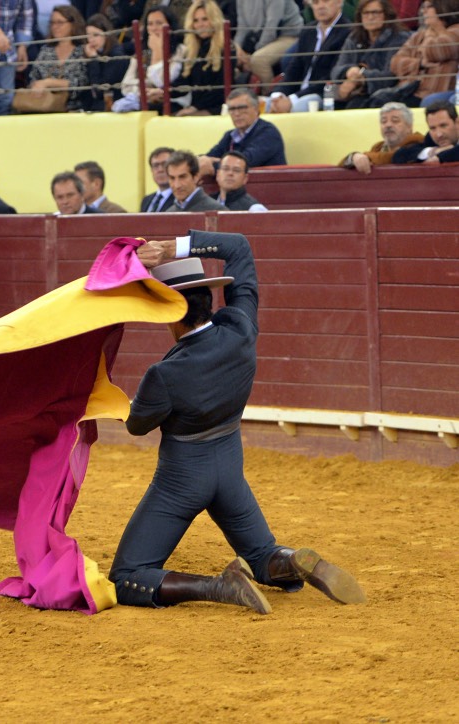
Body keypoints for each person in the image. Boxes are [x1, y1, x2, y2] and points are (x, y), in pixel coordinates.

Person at [109, 231, 367, 613]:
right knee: (262, 553)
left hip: (181, 479)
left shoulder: (163, 374)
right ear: (208, 299)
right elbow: (239, 247)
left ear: (170, 312)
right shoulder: (241, 331)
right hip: (229, 468)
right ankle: (292, 559)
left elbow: (136, 425)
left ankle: (219, 586)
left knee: (129, 574)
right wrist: (172, 248)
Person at [267, 0, 351, 113]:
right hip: (298, 93)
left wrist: (292, 99)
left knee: (298, 107)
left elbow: (331, 77)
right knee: (264, 104)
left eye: (326, 1)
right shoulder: (308, 31)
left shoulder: (348, 32)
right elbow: (294, 69)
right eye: (316, 2)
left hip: (323, 94)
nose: (321, 6)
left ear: (339, 2)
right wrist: (278, 95)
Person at [329, 0, 410, 108]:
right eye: (366, 13)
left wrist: (362, 78)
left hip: (382, 94)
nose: (370, 17)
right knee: (324, 100)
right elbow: (336, 70)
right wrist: (349, 71)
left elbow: (390, 76)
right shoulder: (354, 37)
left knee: (354, 105)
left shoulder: (399, 38)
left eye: (375, 12)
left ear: (386, 15)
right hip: (351, 90)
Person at [198, 88, 287, 176]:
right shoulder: (230, 136)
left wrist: (211, 164)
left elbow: (242, 162)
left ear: (256, 109)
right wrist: (200, 161)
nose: (236, 114)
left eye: (242, 108)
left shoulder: (268, 133)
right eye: (232, 109)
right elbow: (211, 156)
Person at [113, 4, 186, 113]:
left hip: (173, 103)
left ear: (170, 25)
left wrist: (158, 52)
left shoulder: (181, 50)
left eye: (159, 23)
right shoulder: (142, 52)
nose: (154, 28)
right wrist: (144, 91)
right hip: (144, 100)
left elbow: (166, 80)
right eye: (150, 24)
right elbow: (126, 86)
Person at [387, 0, 459, 108]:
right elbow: (395, 63)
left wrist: (433, 32)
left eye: (428, 7)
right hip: (408, 90)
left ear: (443, 8)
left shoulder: (456, 30)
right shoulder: (418, 35)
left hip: (432, 94)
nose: (423, 11)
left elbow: (433, 51)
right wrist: (419, 63)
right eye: (422, 7)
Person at [23, 5, 88, 112]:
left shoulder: (83, 51)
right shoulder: (46, 50)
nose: (55, 27)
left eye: (60, 22)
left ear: (73, 24)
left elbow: (81, 83)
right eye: (52, 23)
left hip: (74, 109)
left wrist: (48, 82)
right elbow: (34, 78)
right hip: (44, 106)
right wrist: (37, 86)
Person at [171, 0, 230, 116]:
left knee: (183, 119)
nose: (200, 25)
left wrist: (195, 108)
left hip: (219, 106)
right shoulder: (192, 50)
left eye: (205, 19)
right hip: (197, 106)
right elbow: (183, 82)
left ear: (214, 20)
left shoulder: (227, 48)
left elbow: (220, 90)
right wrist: (163, 92)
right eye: (196, 20)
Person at [233, 0, 303, 94]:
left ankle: (269, 98)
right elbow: (242, 27)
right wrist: (237, 50)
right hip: (260, 39)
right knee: (232, 59)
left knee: (258, 60)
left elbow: (271, 28)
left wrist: (252, 55)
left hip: (289, 36)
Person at [338, 101, 424, 173]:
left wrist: (364, 156)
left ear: (409, 126)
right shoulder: (378, 147)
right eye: (383, 121)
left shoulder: (418, 142)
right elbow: (340, 166)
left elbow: (392, 157)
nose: (388, 125)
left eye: (395, 121)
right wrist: (353, 157)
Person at [79, 13, 127, 112]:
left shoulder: (117, 56)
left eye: (96, 35)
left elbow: (100, 90)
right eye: (88, 36)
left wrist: (93, 59)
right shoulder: (94, 53)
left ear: (107, 34)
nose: (91, 40)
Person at [393, 99, 459, 164]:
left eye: (443, 126)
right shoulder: (430, 138)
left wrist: (440, 157)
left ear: (457, 122)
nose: (439, 134)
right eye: (433, 128)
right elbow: (399, 155)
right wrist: (433, 151)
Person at [140, 146, 175, 212]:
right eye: (156, 165)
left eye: (165, 164)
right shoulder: (146, 200)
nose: (160, 170)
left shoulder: (180, 199)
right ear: (151, 170)